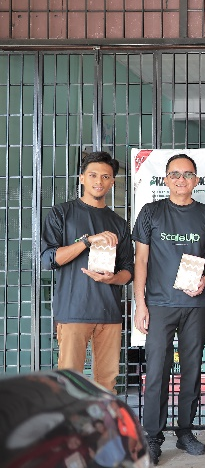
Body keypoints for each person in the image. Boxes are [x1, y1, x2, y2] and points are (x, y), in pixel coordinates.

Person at [132, 153, 205, 465]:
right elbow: (141, 260)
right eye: (175, 174)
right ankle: (153, 437)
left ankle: (185, 432)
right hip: (159, 304)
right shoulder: (151, 212)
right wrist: (140, 303)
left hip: (195, 305)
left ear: (196, 180)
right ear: (165, 179)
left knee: (192, 369)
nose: (181, 180)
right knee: (157, 370)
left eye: (188, 174)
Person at [40, 151, 134, 394]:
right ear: (81, 178)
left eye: (106, 177)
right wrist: (87, 241)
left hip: (109, 313)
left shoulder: (118, 223)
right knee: (70, 384)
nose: (99, 181)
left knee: (107, 385)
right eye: (92, 175)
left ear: (112, 182)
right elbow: (48, 259)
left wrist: (113, 278)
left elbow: (128, 271)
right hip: (73, 311)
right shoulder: (62, 213)